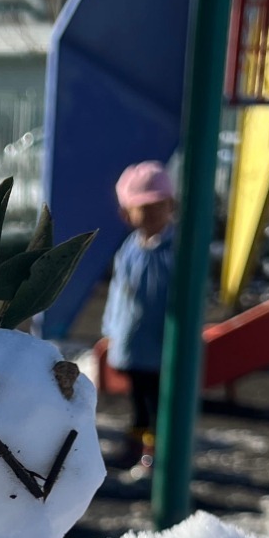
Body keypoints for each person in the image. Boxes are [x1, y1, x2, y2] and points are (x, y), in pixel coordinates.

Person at [99, 160, 177, 475]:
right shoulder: (129, 249)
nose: (152, 213)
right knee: (138, 399)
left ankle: (154, 452)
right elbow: (119, 292)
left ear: (171, 206)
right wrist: (111, 329)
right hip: (132, 342)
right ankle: (136, 445)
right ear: (127, 213)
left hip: (161, 345)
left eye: (159, 205)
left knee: (158, 400)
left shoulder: (175, 250)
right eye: (143, 208)